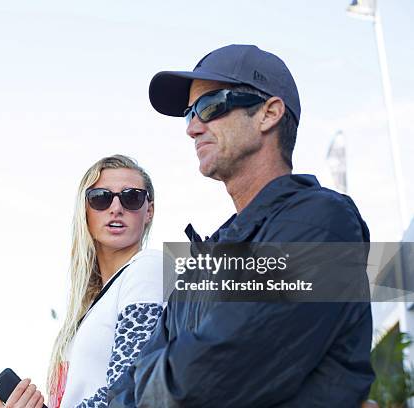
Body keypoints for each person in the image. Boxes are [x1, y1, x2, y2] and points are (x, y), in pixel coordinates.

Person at [107, 44, 375, 407]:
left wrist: (155, 374)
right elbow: (127, 387)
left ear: (269, 114)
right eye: (189, 114)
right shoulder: (202, 264)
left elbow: (213, 375)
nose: (193, 128)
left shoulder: (323, 223)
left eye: (211, 106)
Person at [0, 154, 164, 408]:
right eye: (101, 198)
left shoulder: (149, 266)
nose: (116, 208)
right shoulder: (92, 306)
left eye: (131, 197)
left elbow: (134, 388)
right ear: (85, 210)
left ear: (149, 211)